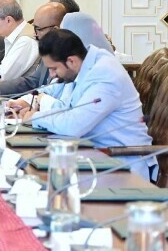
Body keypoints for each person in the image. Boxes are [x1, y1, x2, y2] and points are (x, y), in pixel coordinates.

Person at [15, 29, 154, 180]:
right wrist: (27, 101)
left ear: (71, 61)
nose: (52, 75)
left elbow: (74, 125)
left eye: (53, 69)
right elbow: (56, 89)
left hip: (122, 164)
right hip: (93, 154)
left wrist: (35, 117)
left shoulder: (105, 75)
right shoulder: (84, 63)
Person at [0, 1, 66, 96]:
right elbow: (32, 82)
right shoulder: (49, 49)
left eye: (38, 29)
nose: (34, 34)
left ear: (55, 30)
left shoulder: (69, 57)